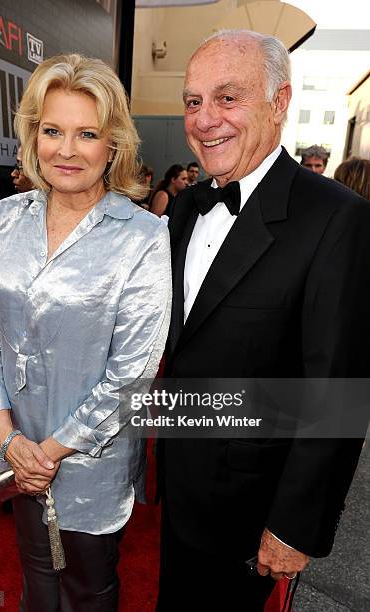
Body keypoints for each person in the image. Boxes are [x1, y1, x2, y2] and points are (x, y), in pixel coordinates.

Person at [156, 29, 370, 611]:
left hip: (255, 511)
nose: (204, 120)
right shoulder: (184, 208)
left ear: (279, 103)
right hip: (180, 489)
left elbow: (338, 391)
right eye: (193, 101)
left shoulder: (336, 219)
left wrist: (295, 525)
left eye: (228, 98)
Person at [0, 53, 171, 612]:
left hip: (90, 464)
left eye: (87, 134)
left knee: (88, 589)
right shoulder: (4, 218)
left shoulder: (143, 237)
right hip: (18, 450)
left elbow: (134, 373)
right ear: (33, 135)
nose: (66, 149)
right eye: (52, 130)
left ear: (114, 145)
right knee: (35, 579)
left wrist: (46, 454)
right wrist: (9, 441)